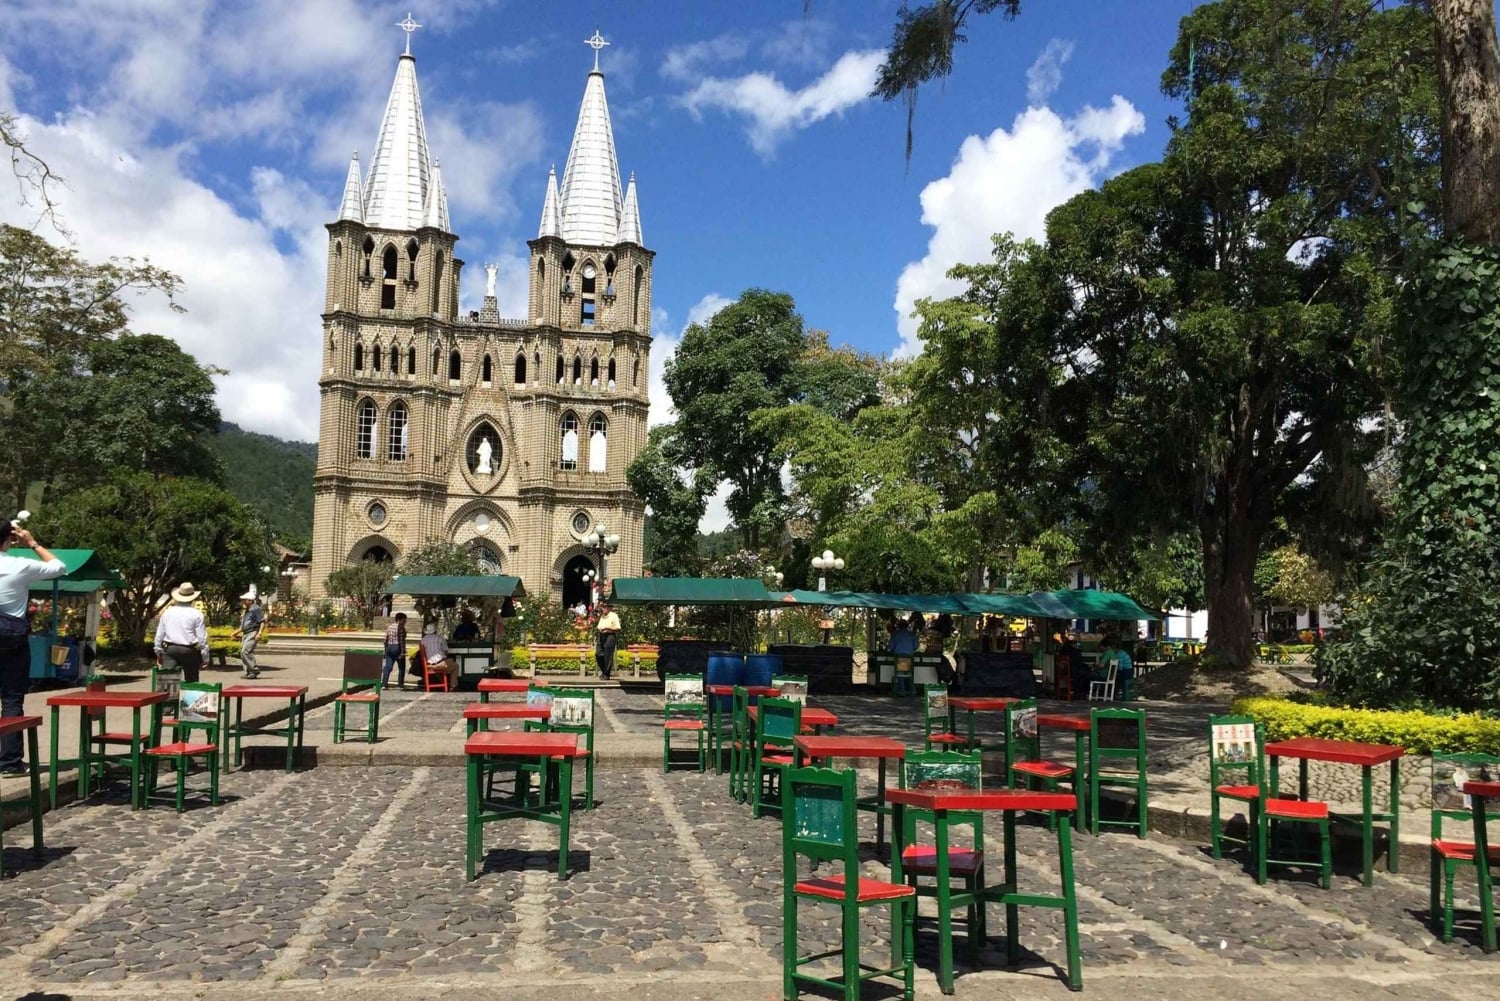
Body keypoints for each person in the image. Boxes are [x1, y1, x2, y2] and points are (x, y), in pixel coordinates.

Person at [0, 521, 66, 775]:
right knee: (12, 700)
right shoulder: (20, 564)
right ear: (9, 539)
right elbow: (59, 567)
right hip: (12, 637)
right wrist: (31, 542)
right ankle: (9, 763)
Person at [155, 582, 210, 685]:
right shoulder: (197, 614)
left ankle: (168, 694)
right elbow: (202, 638)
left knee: (168, 681)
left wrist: (158, 652)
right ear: (192, 598)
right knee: (192, 682)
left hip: (170, 649)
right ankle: (190, 694)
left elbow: (159, 635)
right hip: (189, 650)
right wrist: (205, 657)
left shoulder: (167, 612)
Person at [231, 587, 266, 679]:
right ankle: (249, 672)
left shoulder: (256, 609)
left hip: (252, 632)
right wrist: (235, 633)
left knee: (245, 651)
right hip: (246, 633)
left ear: (250, 601)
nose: (243, 602)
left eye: (244, 600)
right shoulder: (247, 610)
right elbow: (244, 625)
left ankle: (254, 670)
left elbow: (262, 621)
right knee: (243, 653)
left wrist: (259, 633)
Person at [418, 622, 455, 688]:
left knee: (448, 662)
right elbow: (446, 651)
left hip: (429, 664)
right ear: (435, 631)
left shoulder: (423, 640)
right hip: (441, 664)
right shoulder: (440, 638)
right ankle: (453, 686)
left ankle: (443, 682)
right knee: (455, 665)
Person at [381, 612, 408, 690]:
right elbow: (402, 641)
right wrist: (403, 651)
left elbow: (385, 639)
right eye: (404, 620)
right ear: (399, 619)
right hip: (397, 647)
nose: (405, 622)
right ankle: (400, 685)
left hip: (389, 647)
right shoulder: (401, 627)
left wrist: (386, 648)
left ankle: (384, 684)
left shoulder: (390, 627)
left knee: (388, 667)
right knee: (401, 667)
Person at [595, 601, 620, 681]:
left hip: (610, 636)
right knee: (598, 654)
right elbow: (599, 626)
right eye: (602, 607)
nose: (602, 609)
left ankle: (606, 674)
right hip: (602, 635)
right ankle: (604, 671)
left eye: (604, 607)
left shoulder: (614, 616)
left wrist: (608, 629)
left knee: (608, 656)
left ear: (609, 608)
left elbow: (617, 628)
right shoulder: (602, 616)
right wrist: (600, 629)